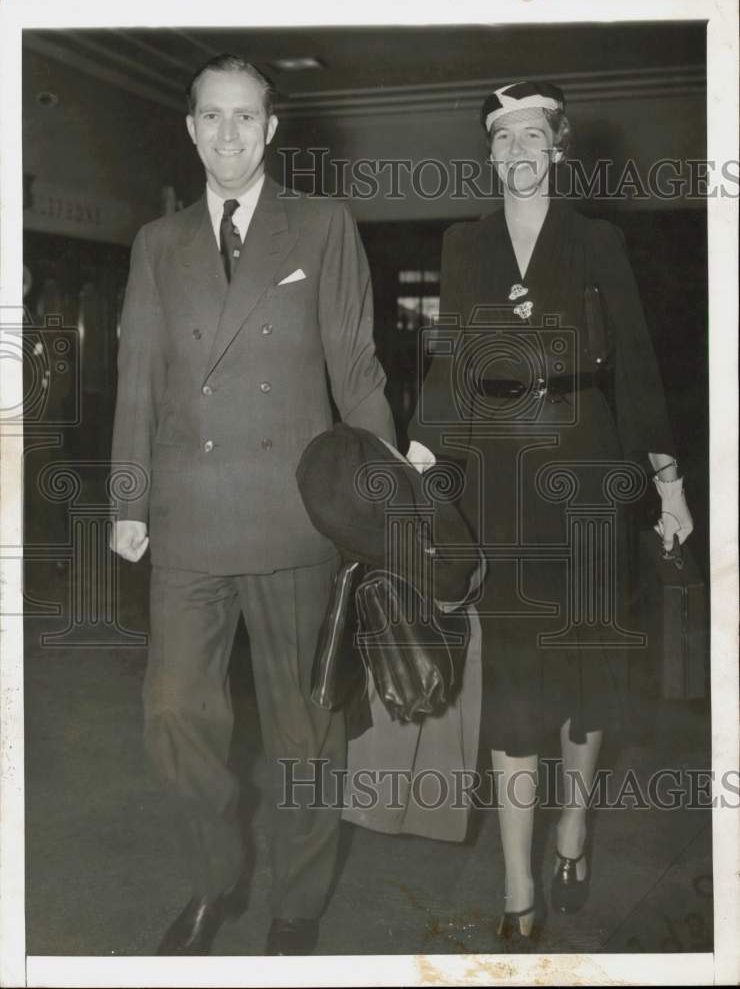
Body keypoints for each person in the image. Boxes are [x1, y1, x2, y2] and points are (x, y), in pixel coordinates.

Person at [109, 54, 395, 956]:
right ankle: (213, 879)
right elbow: (137, 382)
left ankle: (297, 907)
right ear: (190, 128)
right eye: (212, 117)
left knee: (306, 733)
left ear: (272, 131)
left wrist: (382, 504)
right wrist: (129, 499)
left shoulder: (321, 225)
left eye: (246, 118)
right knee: (174, 719)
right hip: (189, 519)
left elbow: (356, 370)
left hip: (294, 519)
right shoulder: (159, 244)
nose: (229, 134)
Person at [406, 81, 694, 947]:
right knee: (519, 689)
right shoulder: (465, 246)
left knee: (590, 678)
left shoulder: (599, 241)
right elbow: (450, 361)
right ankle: (519, 883)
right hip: (501, 481)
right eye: (501, 138)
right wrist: (418, 459)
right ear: (489, 152)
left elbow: (636, 365)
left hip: (593, 471)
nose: (516, 151)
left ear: (559, 147)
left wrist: (669, 486)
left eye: (531, 136)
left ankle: (574, 826)